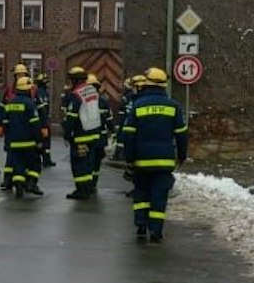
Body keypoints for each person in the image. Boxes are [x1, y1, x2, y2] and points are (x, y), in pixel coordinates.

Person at [120, 67, 187, 243]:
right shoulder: (173, 106)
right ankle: (156, 231)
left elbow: (128, 134)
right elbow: (181, 134)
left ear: (146, 84)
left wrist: (129, 158)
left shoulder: (137, 106)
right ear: (164, 86)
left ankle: (141, 224)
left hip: (141, 161)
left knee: (141, 194)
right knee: (159, 196)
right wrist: (182, 155)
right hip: (164, 161)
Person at [64, 68, 105, 199]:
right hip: (93, 134)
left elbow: (72, 115)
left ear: (76, 80)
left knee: (79, 164)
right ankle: (87, 188)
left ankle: (81, 191)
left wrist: (67, 133)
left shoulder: (77, 94)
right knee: (88, 164)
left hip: (80, 136)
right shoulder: (91, 91)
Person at [2, 75, 46, 196]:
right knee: (35, 165)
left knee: (18, 166)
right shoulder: (30, 104)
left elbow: (5, 122)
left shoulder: (10, 104)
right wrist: (40, 140)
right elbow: (35, 124)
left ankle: (19, 187)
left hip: (14, 142)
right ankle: (31, 184)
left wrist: (8, 137)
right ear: (27, 89)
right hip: (29, 142)